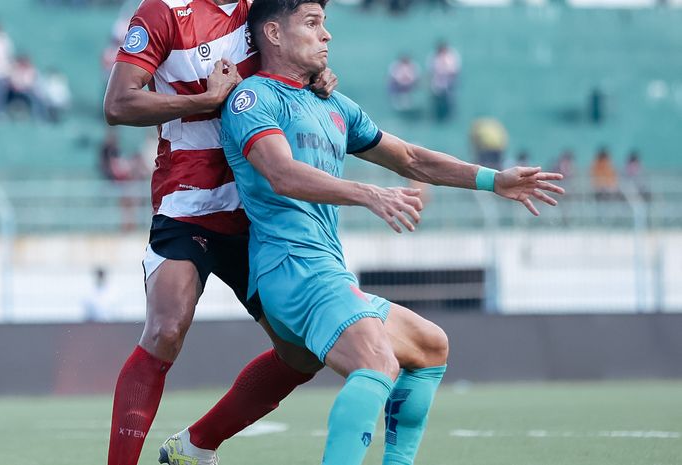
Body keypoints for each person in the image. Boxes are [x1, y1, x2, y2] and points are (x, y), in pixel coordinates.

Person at [221, 1, 564, 464]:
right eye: (312, 23)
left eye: (325, 23)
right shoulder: (253, 99)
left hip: (325, 270)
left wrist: (493, 180)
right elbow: (281, 174)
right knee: (376, 361)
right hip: (290, 267)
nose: (327, 35)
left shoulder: (334, 105)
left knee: (429, 345)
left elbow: (411, 158)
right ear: (274, 34)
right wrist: (368, 193)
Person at [102, 0, 338, 464]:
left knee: (303, 353)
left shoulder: (268, 10)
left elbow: (297, 66)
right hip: (188, 204)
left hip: (257, 210)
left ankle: (195, 446)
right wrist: (205, 101)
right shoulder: (163, 12)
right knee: (166, 329)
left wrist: (317, 80)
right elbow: (118, 104)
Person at [428, 41, 460, 121]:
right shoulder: (434, 57)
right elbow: (432, 71)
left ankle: (448, 116)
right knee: (437, 102)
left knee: (448, 101)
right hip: (438, 85)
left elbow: (454, 71)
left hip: (449, 84)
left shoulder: (451, 56)